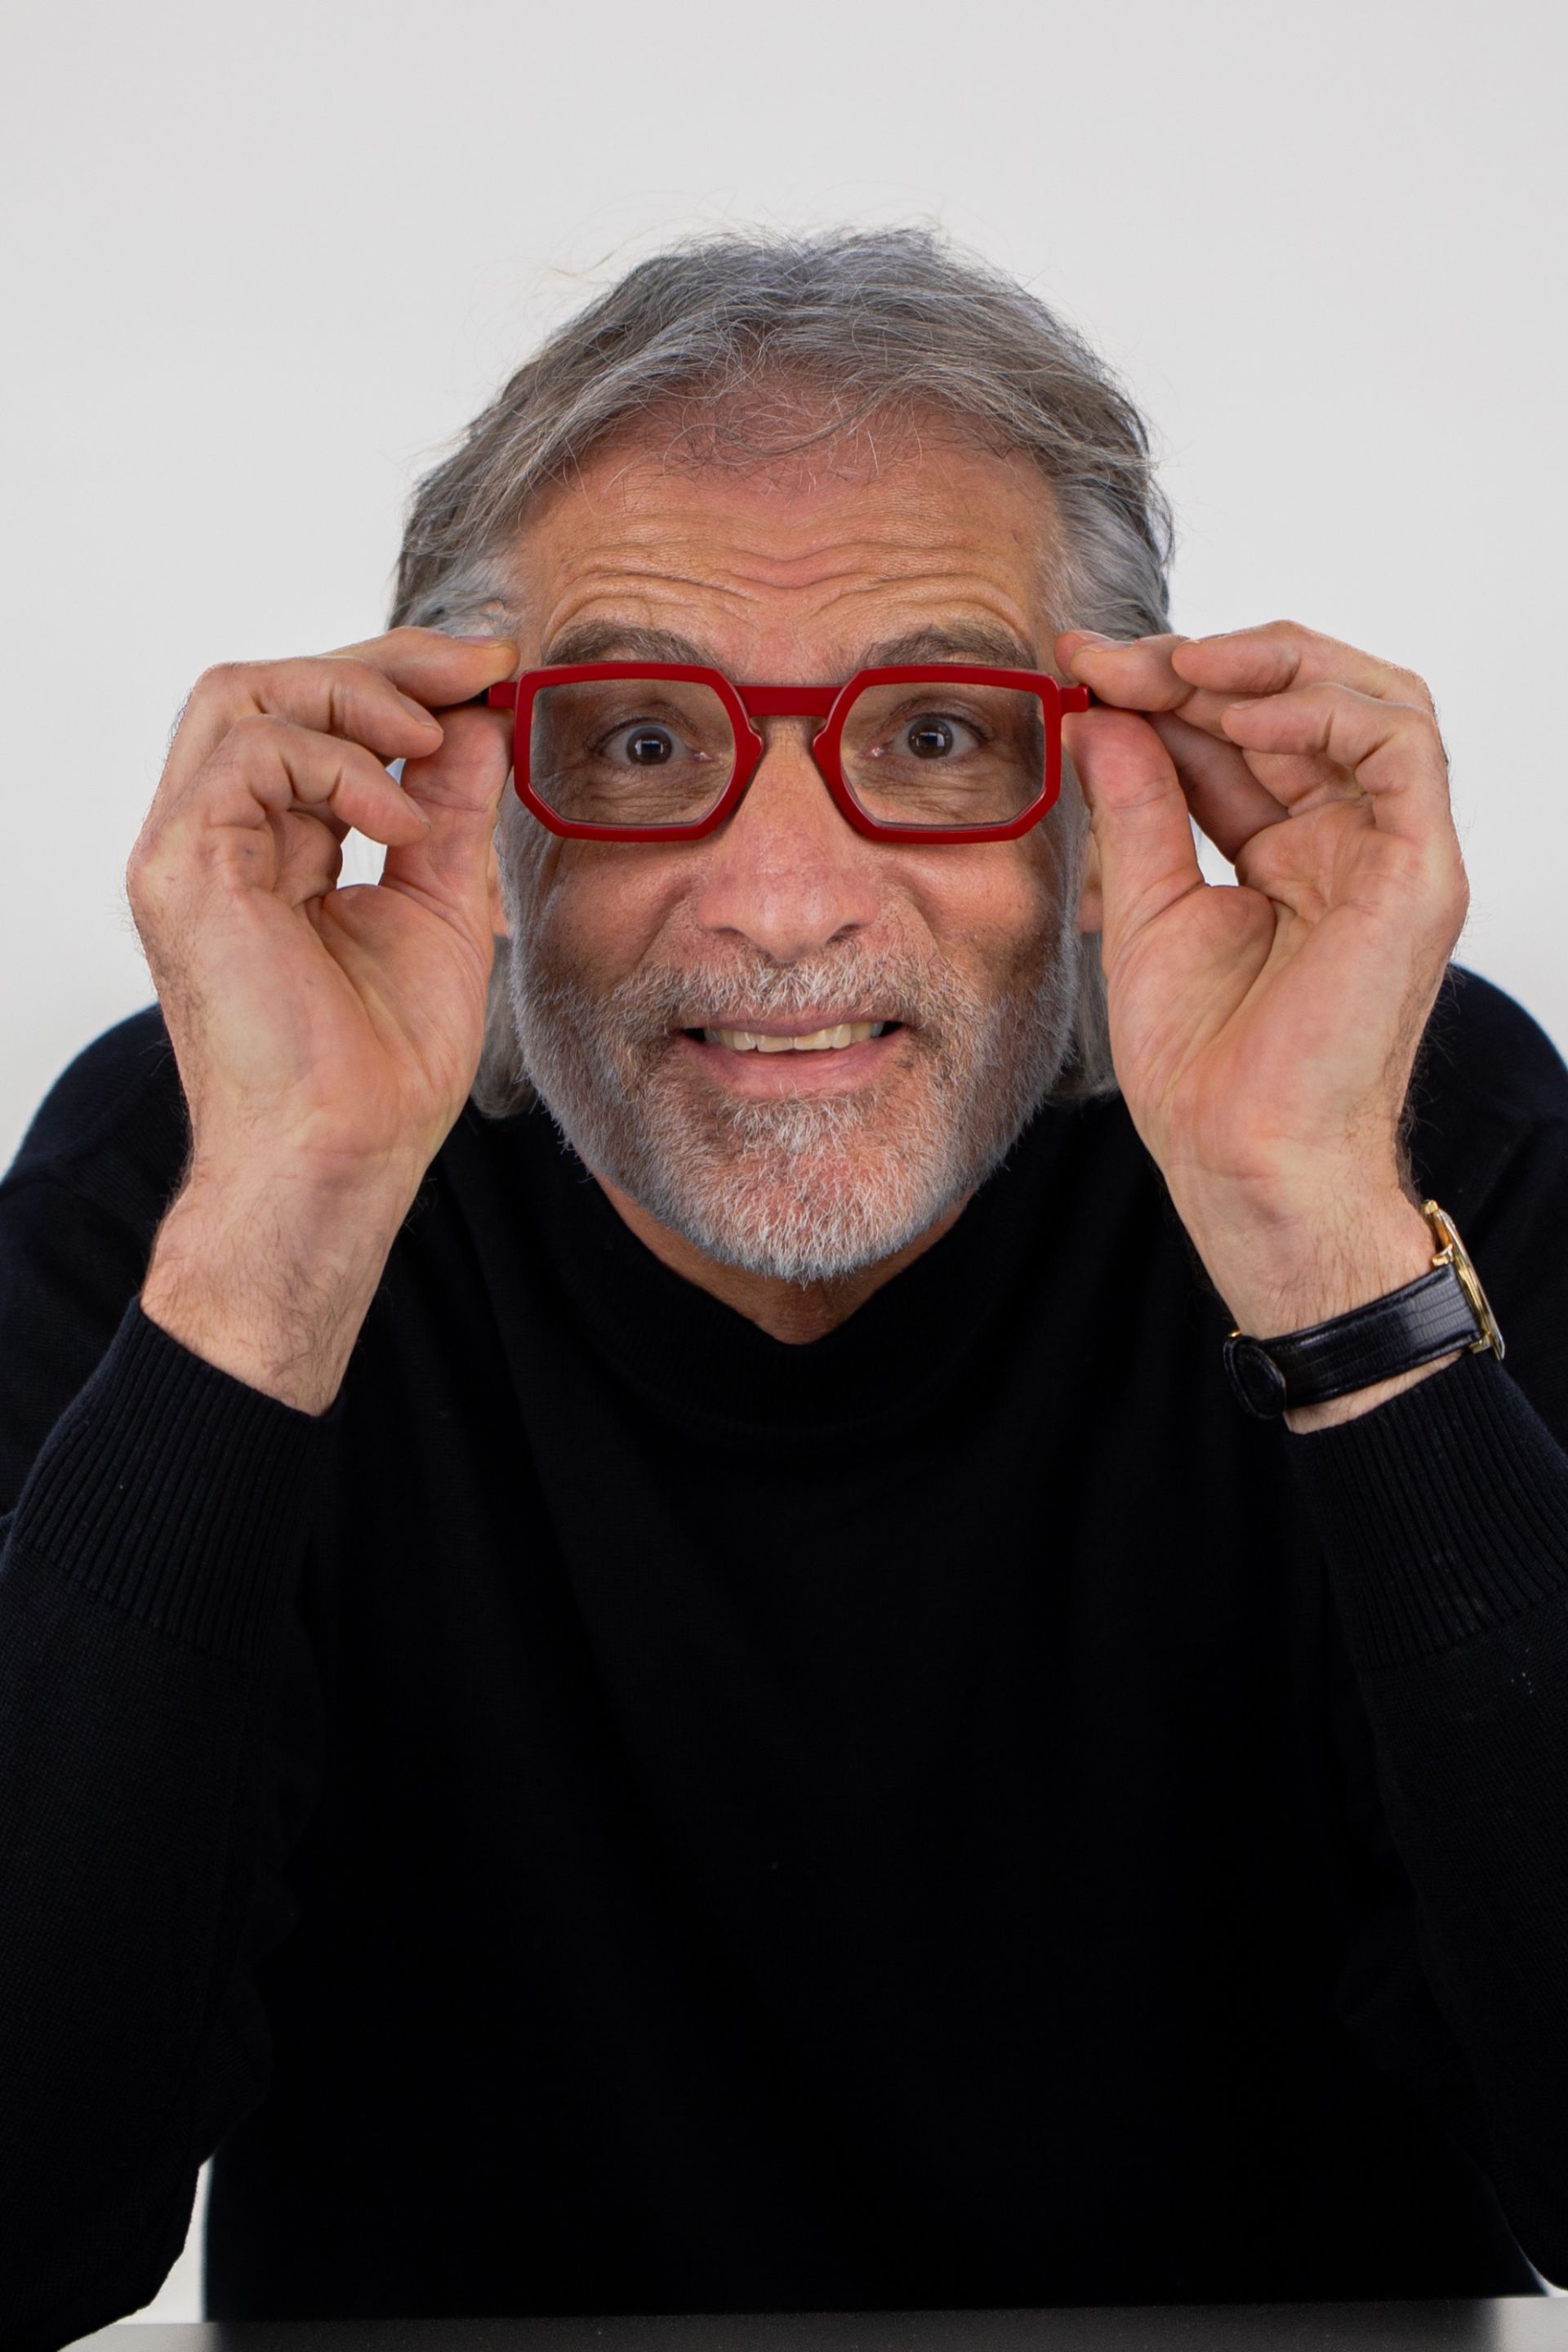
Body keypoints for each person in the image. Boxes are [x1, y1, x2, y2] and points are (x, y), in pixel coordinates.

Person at [2, 229, 1566, 2347]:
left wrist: (1318, 1235)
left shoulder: (1402, 1135)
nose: (786, 903)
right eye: (642, 742)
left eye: (934, 732)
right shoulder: (206, 1166)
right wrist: (283, 1225)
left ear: (1113, 794)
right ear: (469, 792)